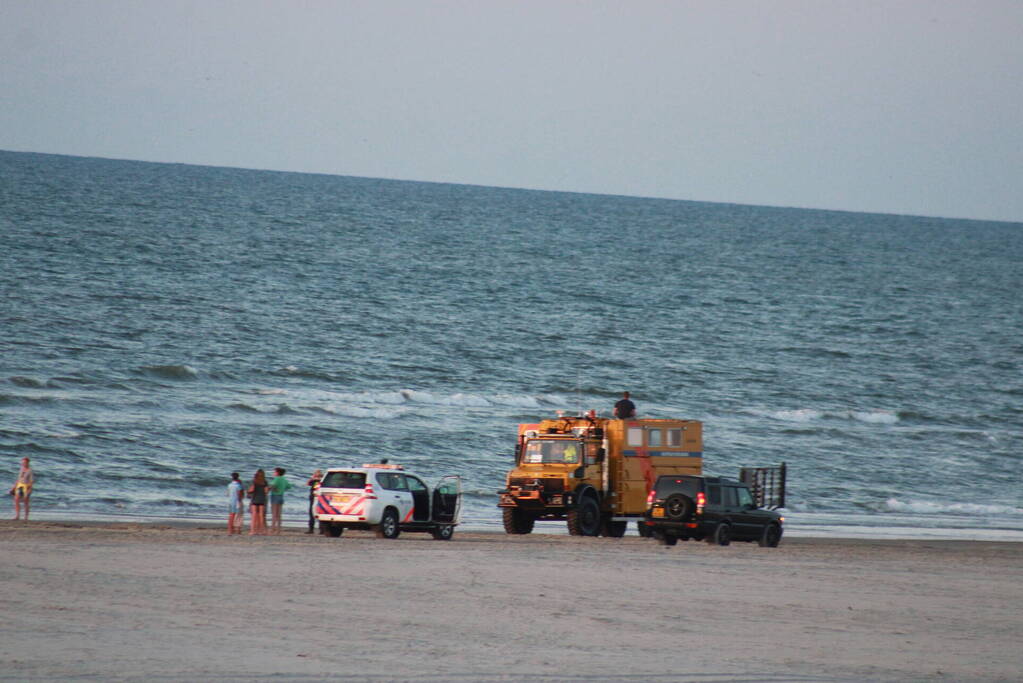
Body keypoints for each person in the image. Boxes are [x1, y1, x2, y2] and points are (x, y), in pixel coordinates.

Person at [267, 467, 293, 535]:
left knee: (274, 514)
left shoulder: (277, 478)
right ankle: (279, 529)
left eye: (275, 472)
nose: (274, 473)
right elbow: (289, 486)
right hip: (281, 496)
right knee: (279, 514)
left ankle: (272, 529)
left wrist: (269, 489)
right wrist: (282, 489)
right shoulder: (284, 479)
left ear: (278, 473)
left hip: (275, 496)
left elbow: (272, 485)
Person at [248, 469, 269, 536]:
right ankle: (261, 531)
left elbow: (251, 490)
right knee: (261, 516)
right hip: (262, 499)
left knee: (254, 516)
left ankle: (253, 531)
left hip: (255, 499)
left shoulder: (254, 481)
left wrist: (249, 492)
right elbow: (266, 491)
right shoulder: (265, 482)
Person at [306, 469, 322, 534]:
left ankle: (315, 529)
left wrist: (314, 478)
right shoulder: (318, 480)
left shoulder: (318, 481)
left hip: (316, 497)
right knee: (314, 512)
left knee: (313, 512)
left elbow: (316, 487)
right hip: (315, 497)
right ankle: (314, 529)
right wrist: (312, 478)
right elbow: (307, 483)